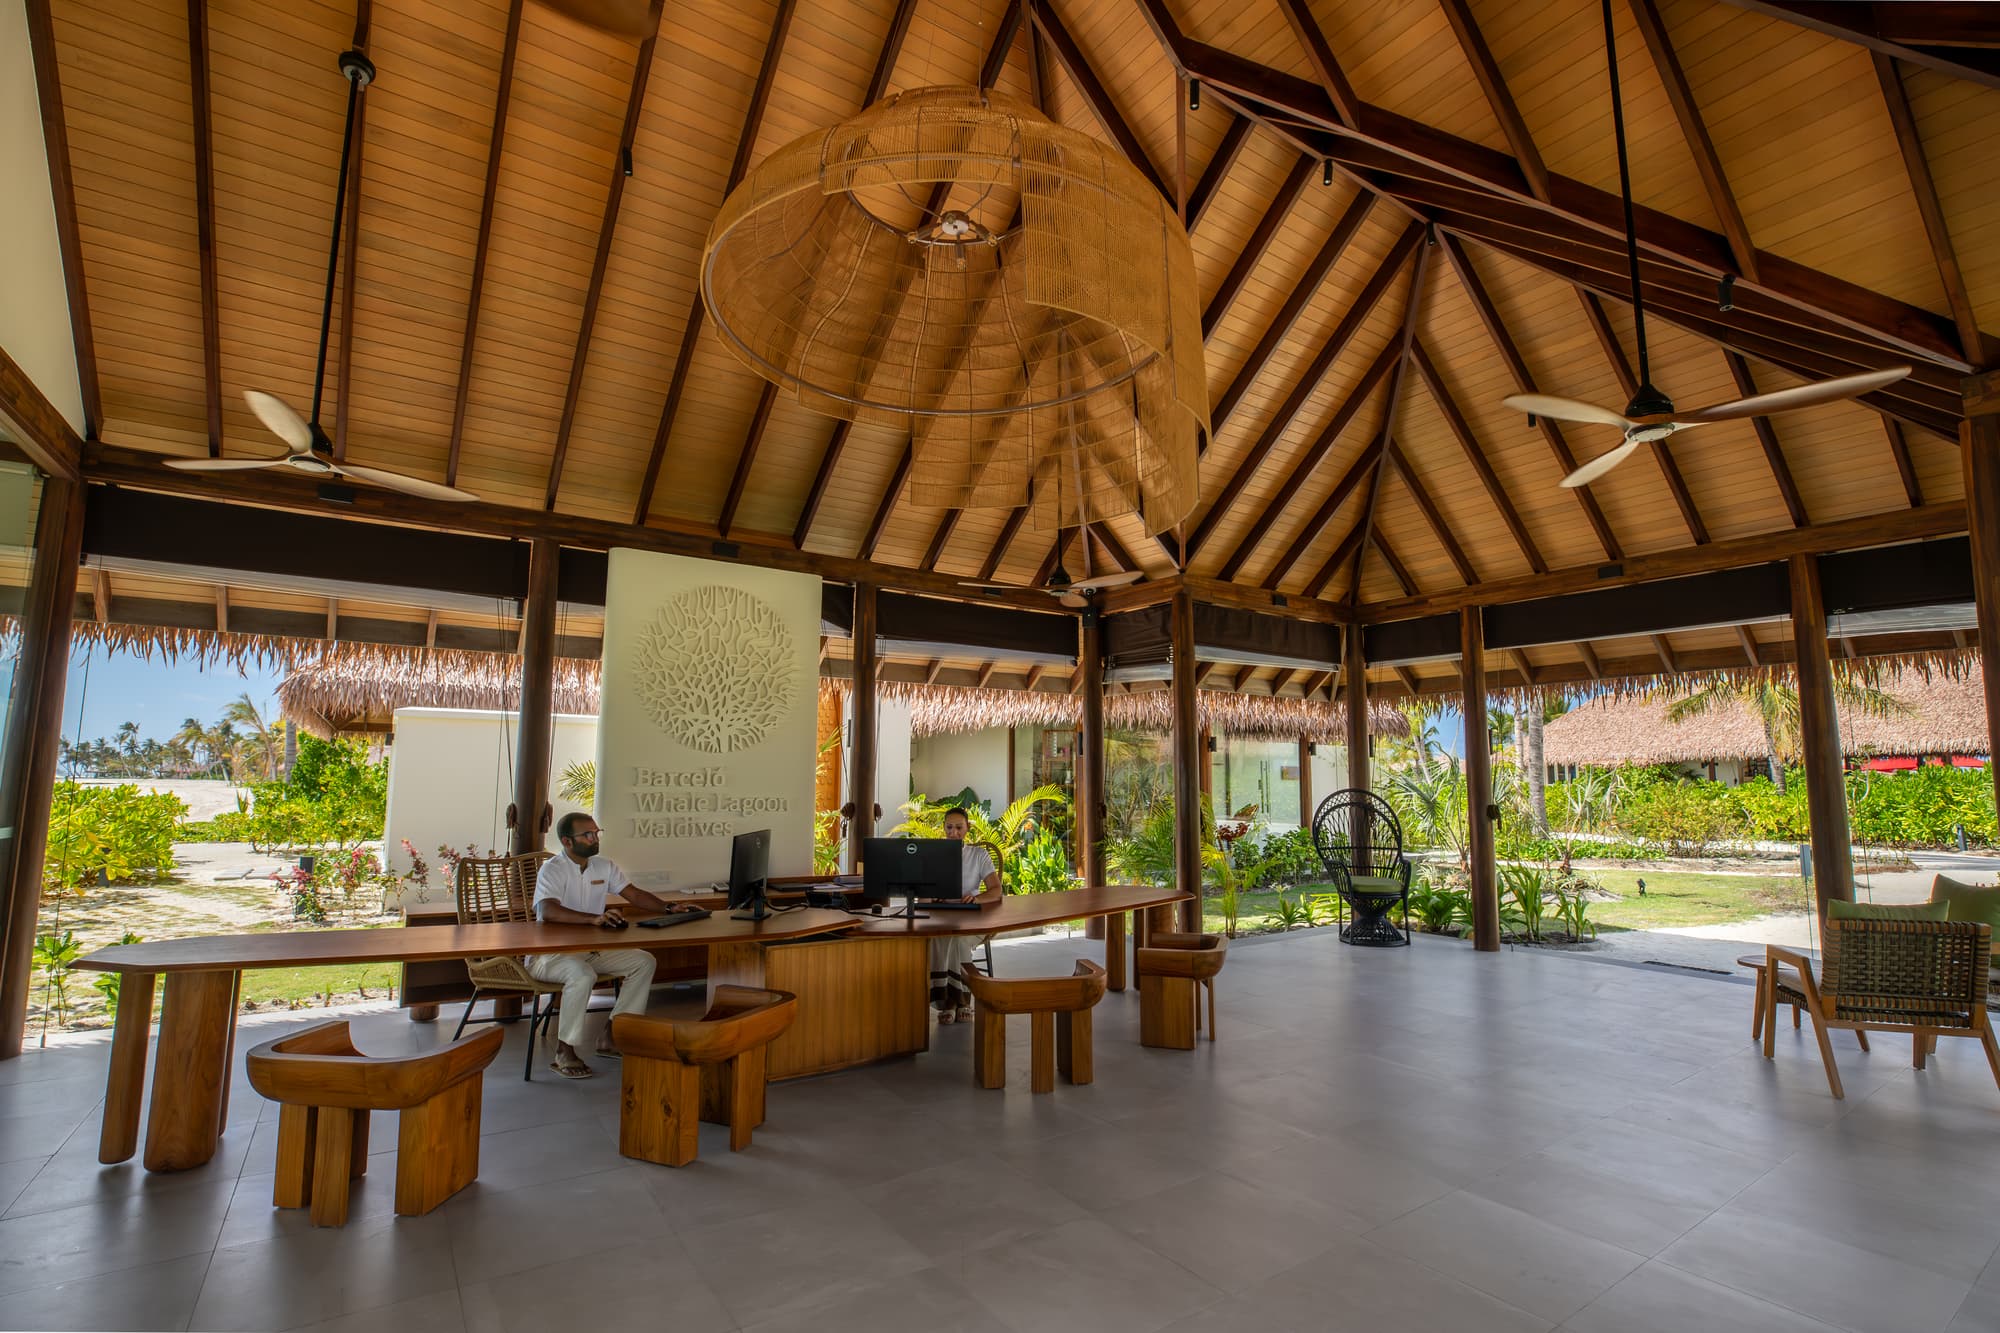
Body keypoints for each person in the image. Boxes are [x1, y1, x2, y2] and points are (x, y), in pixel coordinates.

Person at [527, 812, 674, 1079]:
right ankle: (564, 1050)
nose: (595, 838)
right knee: (582, 974)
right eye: (587, 834)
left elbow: (635, 895)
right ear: (567, 842)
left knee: (643, 961)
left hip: (591, 952)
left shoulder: (603, 866)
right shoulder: (553, 869)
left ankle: (612, 1035)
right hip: (550, 957)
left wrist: (670, 907)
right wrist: (594, 919)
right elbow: (548, 910)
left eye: (597, 833)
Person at [929, 806, 1002, 1024]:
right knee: (941, 939)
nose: (953, 832)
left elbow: (996, 890)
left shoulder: (978, 855)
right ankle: (951, 1001)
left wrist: (976, 898)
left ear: (968, 828)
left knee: (958, 941)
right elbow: (922, 896)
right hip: (944, 918)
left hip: (973, 919)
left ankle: (958, 1001)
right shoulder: (934, 857)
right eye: (949, 827)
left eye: (959, 827)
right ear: (943, 829)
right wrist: (932, 897)